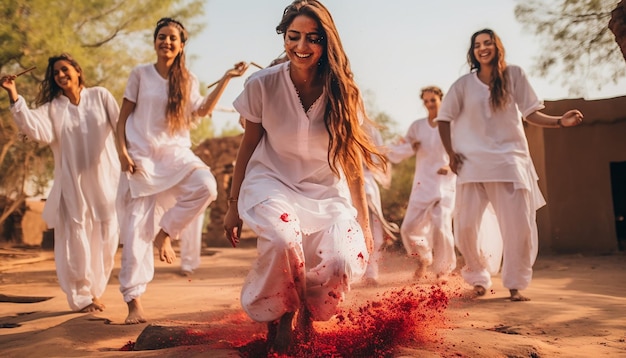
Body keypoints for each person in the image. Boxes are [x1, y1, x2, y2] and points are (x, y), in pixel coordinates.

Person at [223, 0, 386, 353]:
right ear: (283, 38)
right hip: (271, 182)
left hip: (326, 190)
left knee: (341, 260)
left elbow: (351, 159)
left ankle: (306, 317)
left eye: (312, 38)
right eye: (293, 37)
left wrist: (364, 220)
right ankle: (279, 321)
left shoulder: (343, 91)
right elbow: (247, 145)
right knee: (284, 240)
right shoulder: (261, 84)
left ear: (327, 42)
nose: (301, 46)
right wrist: (233, 205)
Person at [116, 17, 248, 324]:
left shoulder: (188, 80)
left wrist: (227, 77)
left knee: (207, 186)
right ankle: (134, 304)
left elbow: (202, 110)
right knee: (136, 233)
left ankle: (165, 234)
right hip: (142, 158)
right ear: (155, 42)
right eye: (161, 37)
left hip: (175, 154)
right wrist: (122, 152)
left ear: (182, 45)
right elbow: (122, 119)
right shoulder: (140, 74)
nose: (166, 42)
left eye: (172, 38)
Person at [436, 28, 583, 301]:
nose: (483, 48)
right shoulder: (463, 85)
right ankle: (478, 278)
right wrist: (451, 154)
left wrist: (560, 121)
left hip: (509, 163)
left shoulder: (514, 75)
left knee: (518, 229)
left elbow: (532, 113)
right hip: (471, 165)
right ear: (473, 51)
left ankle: (515, 284)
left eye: (488, 42)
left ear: (497, 46)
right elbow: (443, 119)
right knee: (466, 227)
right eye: (478, 44)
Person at [1, 53, 120, 312]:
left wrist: (131, 158)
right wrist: (13, 94)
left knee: (108, 236)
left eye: (65, 69)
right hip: (72, 185)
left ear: (77, 70)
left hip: (106, 181)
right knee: (76, 237)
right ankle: (82, 296)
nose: (61, 75)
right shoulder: (54, 108)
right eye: (55, 73)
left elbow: (122, 127)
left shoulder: (101, 96)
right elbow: (34, 127)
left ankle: (95, 290)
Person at [386, 86, 457, 281]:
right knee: (408, 228)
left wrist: (451, 167)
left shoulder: (452, 124)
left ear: (440, 99)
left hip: (445, 182)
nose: (429, 104)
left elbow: (462, 150)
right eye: (425, 101)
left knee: (442, 226)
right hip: (422, 182)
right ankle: (424, 257)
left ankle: (443, 271)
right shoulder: (417, 126)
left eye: (432, 100)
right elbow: (401, 148)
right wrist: (411, 146)